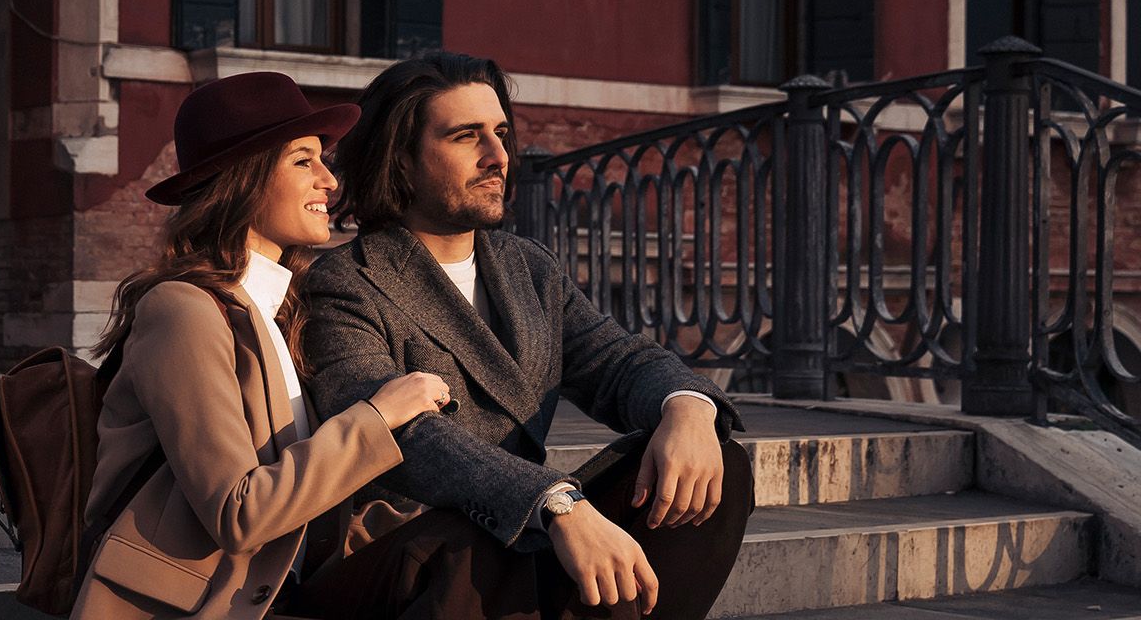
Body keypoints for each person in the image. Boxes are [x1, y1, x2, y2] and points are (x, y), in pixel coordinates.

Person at [295, 51, 755, 620]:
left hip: (524, 533)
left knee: (717, 467)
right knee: (474, 543)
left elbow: (617, 361)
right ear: (403, 162)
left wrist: (685, 409)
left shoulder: (527, 267)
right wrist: (553, 503)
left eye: (501, 134)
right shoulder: (344, 283)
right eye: (467, 137)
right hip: (412, 549)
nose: (498, 157)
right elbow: (402, 440)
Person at [70, 71, 452, 620]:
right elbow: (240, 512)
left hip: (274, 589)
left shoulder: (277, 310)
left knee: (472, 552)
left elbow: (304, 497)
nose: (330, 180)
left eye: (324, 159)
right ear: (242, 180)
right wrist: (378, 415)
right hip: (199, 604)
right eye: (303, 161)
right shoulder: (183, 311)